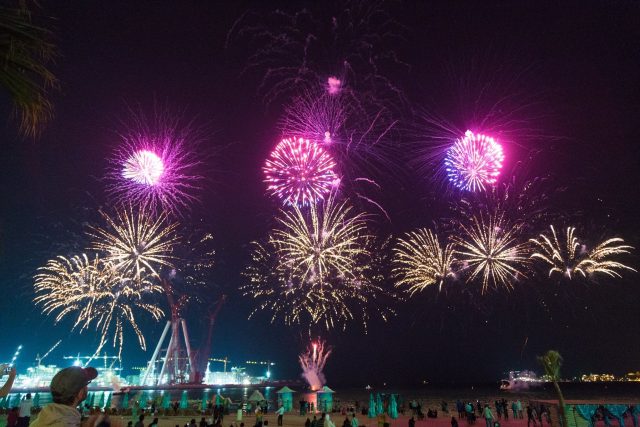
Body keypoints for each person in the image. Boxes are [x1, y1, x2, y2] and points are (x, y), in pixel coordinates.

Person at [29, 366, 98, 427]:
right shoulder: (68, 423)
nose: (87, 388)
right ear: (80, 393)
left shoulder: (37, 422)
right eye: (86, 384)